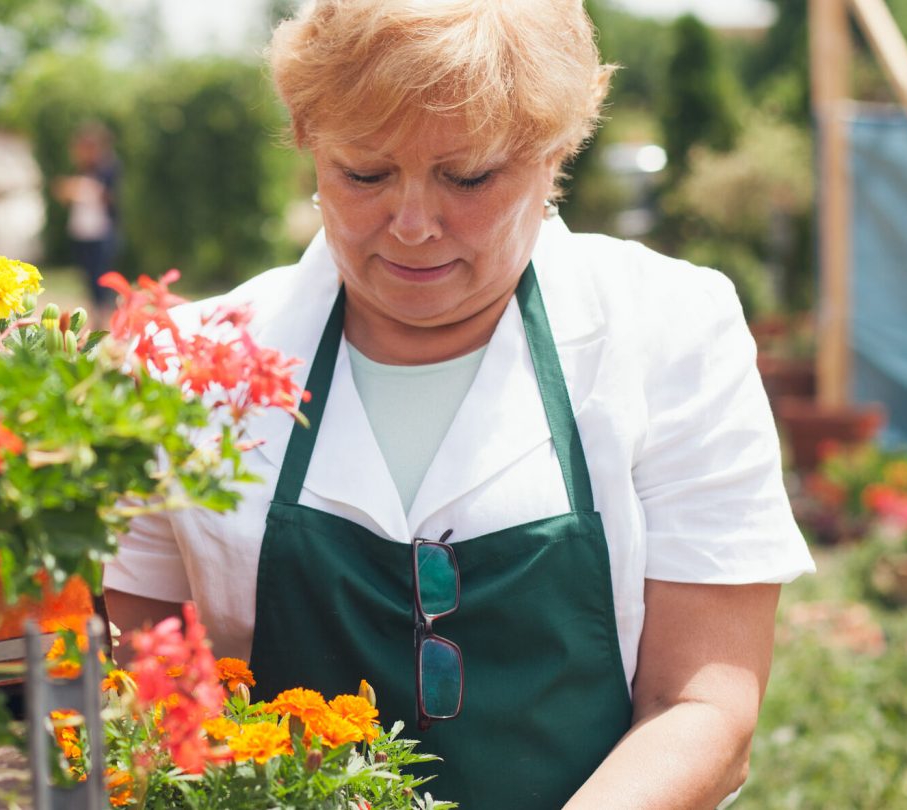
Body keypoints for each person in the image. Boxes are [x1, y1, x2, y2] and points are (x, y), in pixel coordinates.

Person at [101, 1, 815, 808]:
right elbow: (143, 682)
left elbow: (702, 707)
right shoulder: (189, 367)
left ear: (556, 154)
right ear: (308, 143)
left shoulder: (668, 332)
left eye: (468, 176)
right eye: (364, 173)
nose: (411, 225)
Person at [54, 123, 122, 312]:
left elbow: (109, 196)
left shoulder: (108, 168)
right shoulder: (80, 169)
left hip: (100, 231)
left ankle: (106, 313)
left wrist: (80, 189)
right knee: (88, 276)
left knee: (101, 276)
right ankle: (97, 312)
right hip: (82, 231)